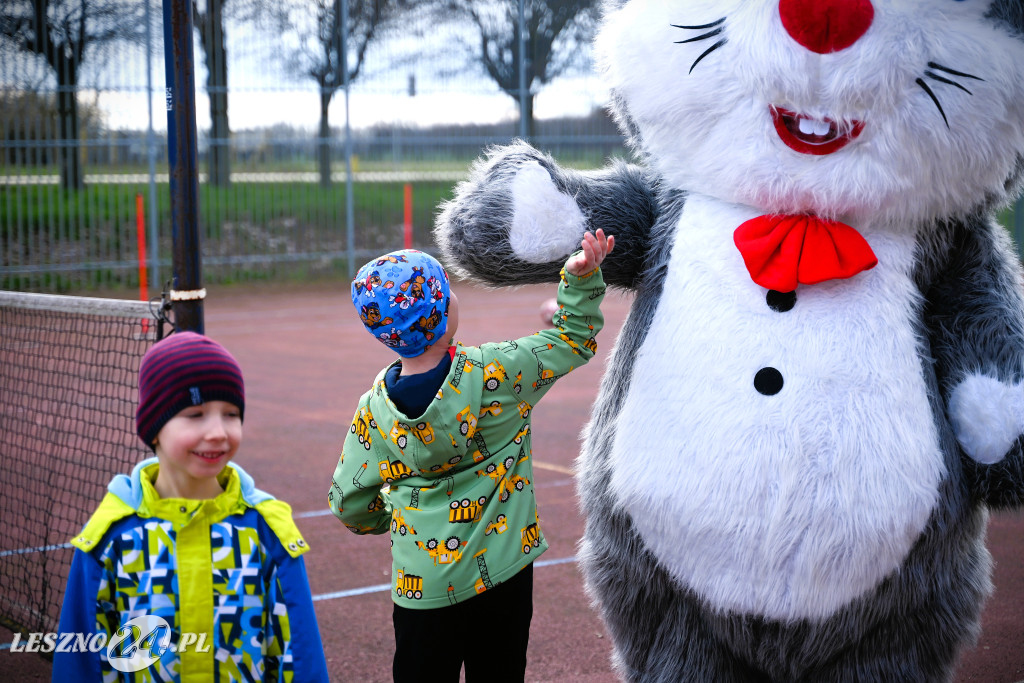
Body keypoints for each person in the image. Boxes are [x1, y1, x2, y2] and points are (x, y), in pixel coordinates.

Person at [329, 229, 614, 682]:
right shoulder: (499, 370)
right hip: (504, 573)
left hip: (421, 587)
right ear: (443, 313)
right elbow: (574, 340)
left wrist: (392, 518)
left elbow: (348, 502)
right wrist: (580, 280)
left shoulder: (373, 413)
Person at [53, 332, 329, 682]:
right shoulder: (110, 538)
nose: (218, 431)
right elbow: (81, 662)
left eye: (231, 414)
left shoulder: (267, 532)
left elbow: (299, 653)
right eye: (195, 414)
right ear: (153, 428)